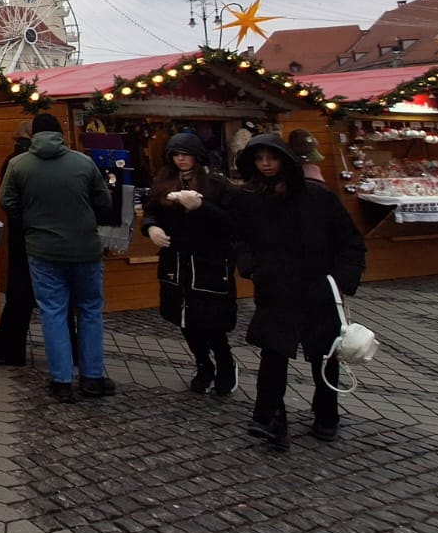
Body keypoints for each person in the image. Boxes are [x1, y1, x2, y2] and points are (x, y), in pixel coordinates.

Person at [230, 133, 366, 450]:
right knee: (273, 357)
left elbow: (350, 240)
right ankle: (269, 419)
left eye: (272, 158)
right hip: (276, 290)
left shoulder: (318, 197)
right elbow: (238, 237)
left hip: (317, 289)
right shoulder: (249, 199)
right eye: (259, 159)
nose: (266, 164)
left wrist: (341, 278)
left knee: (324, 357)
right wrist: (251, 267)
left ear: (285, 161)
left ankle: (326, 415)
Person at [0, 112, 113, 402]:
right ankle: (93, 377)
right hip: (85, 247)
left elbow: (7, 202)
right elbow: (104, 201)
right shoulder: (83, 162)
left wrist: (30, 222)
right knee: (89, 311)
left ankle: (61, 380)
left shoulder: (18, 165)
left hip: (43, 249)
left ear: (34, 134)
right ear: (60, 133)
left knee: (53, 312)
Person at [143, 133, 239, 396]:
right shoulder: (164, 183)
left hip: (209, 265)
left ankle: (225, 364)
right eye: (175, 154)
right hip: (176, 264)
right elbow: (152, 210)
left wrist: (201, 207)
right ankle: (203, 365)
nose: (181, 159)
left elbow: (232, 224)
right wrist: (151, 228)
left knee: (212, 322)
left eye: (185, 154)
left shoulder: (218, 185)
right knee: (185, 320)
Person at [0, 121, 37, 366]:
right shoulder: (54, 161)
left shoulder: (13, 161)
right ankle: (70, 350)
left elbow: (6, 200)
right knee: (60, 302)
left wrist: (20, 220)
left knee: (18, 297)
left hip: (21, 236)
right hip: (51, 238)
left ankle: (9, 349)